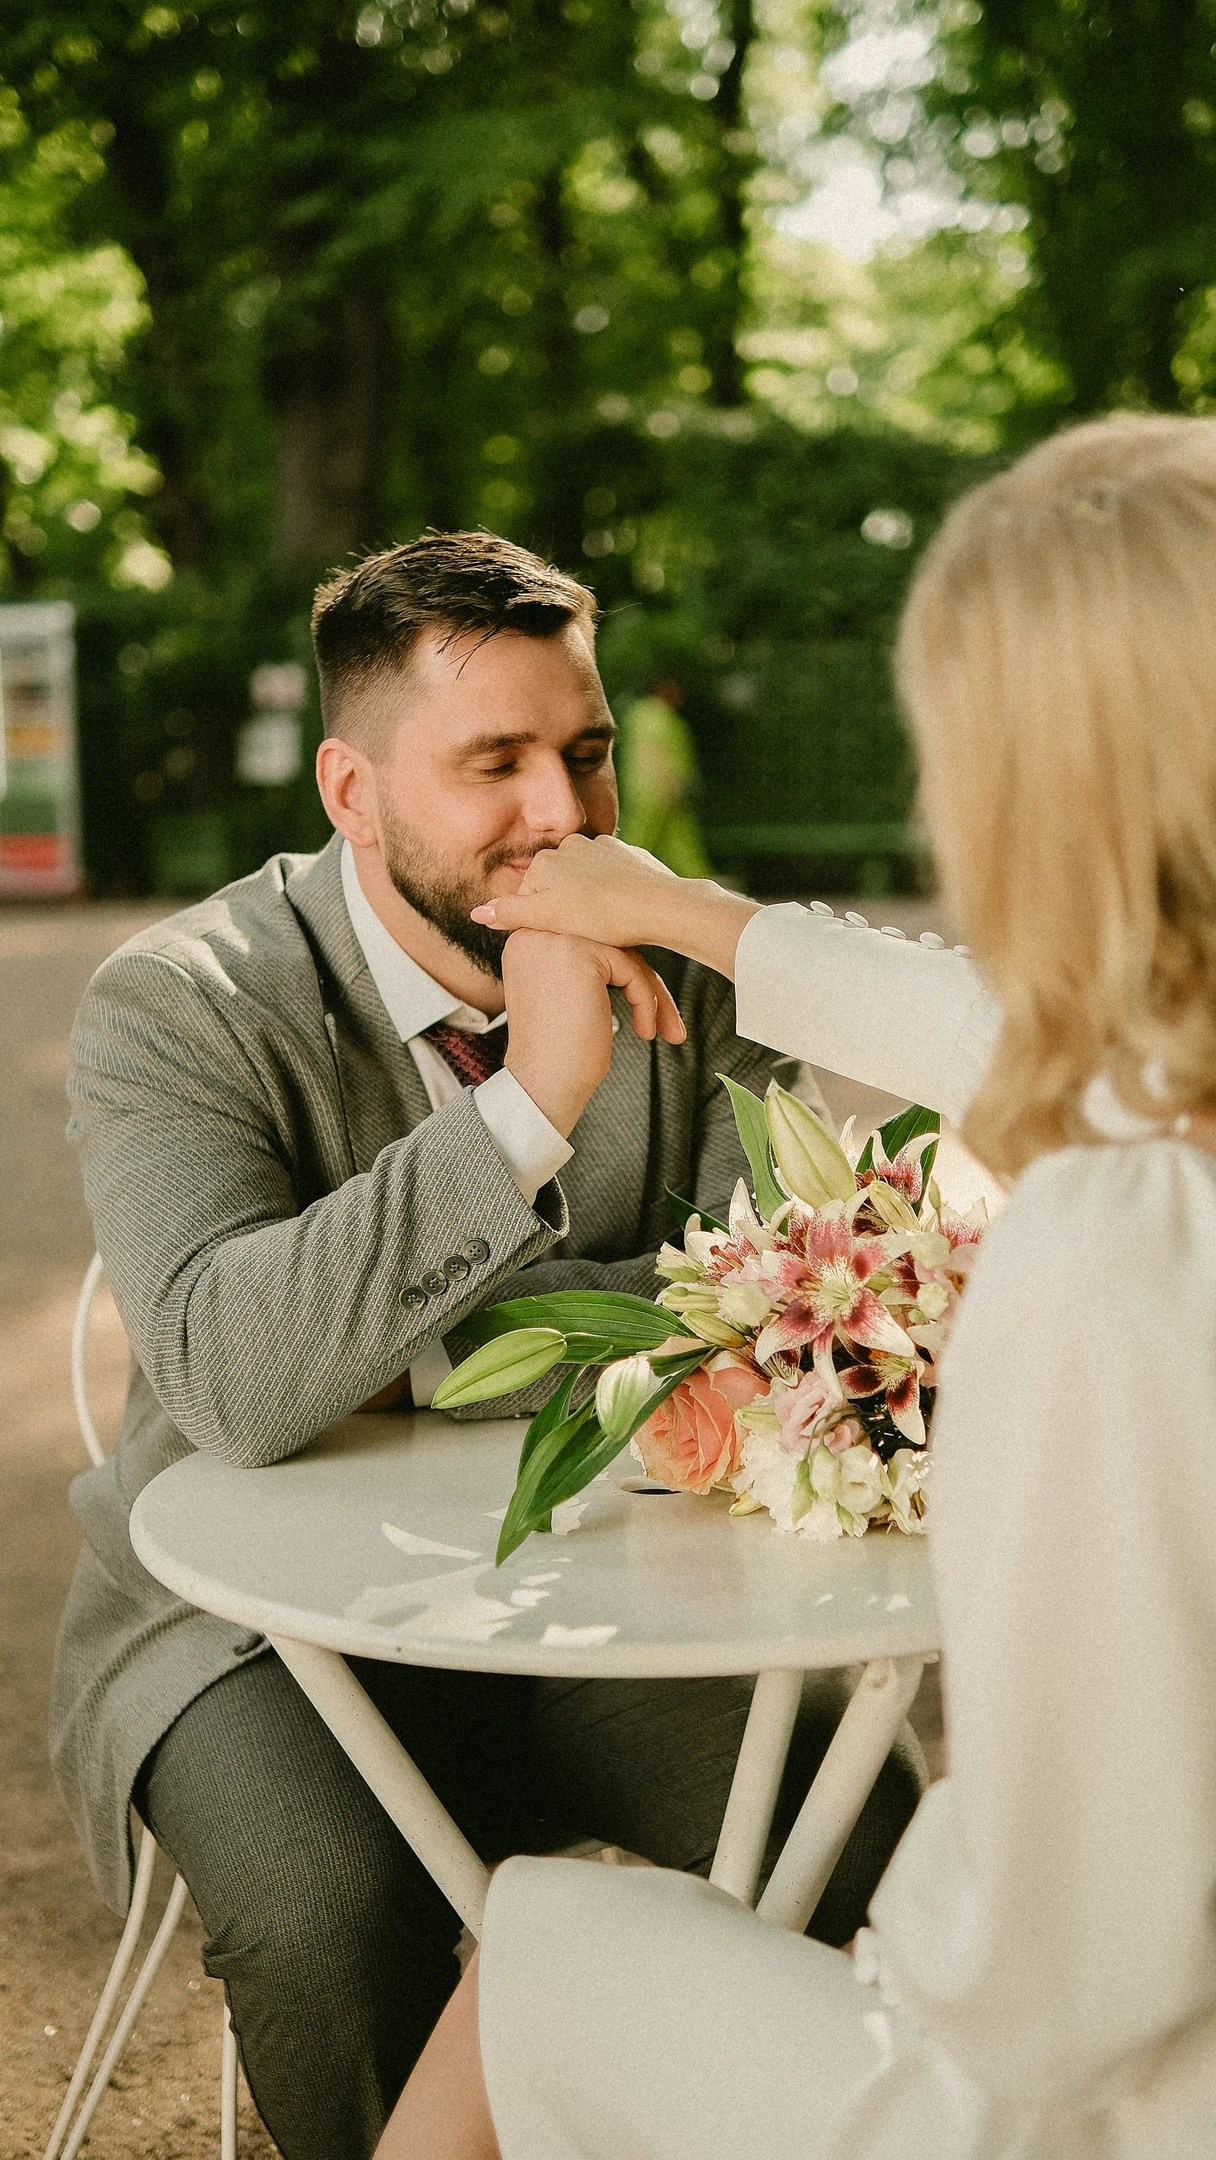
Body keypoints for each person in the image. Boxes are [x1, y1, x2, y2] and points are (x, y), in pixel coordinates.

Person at [376, 411, 1216, 2160]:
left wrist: (907, 1947)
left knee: (534, 1942)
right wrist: (683, 913)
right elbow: (1014, 1036)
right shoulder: (1148, 1143)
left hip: (1101, 2106)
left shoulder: (1120, 1241)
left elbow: (1073, 1962)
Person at [50, 530, 922, 2160]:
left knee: (861, 1837)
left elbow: (771, 1306)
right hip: (244, 1636)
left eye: (583, 752)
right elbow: (234, 1384)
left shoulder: (680, 961)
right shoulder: (176, 1004)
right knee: (325, 1916)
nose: (569, 818)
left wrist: (385, 1341)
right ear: (352, 790)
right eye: (495, 764)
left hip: (611, 1595)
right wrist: (533, 1102)